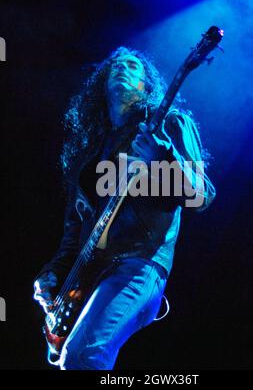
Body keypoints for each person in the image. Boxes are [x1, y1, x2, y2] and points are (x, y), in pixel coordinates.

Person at [33, 46, 216, 370]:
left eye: (133, 66)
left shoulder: (169, 124)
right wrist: (52, 276)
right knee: (72, 359)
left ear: (146, 86)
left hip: (140, 264)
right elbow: (73, 236)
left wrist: (165, 157)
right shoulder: (89, 156)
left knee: (83, 356)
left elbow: (201, 195)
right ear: (102, 84)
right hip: (89, 274)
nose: (122, 68)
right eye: (115, 65)